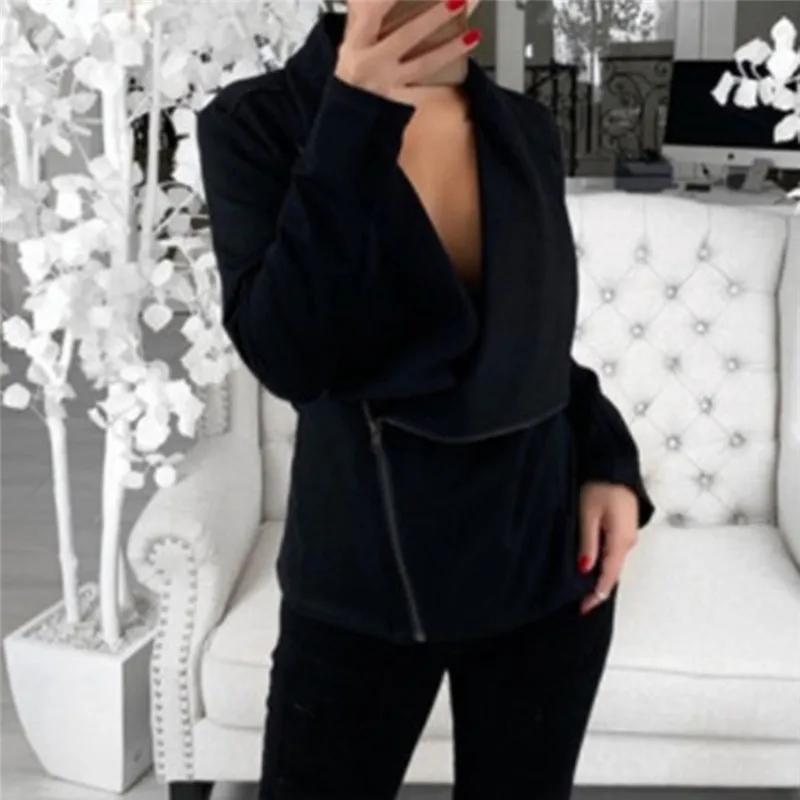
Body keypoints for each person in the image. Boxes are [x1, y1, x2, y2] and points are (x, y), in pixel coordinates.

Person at [197, 1, 656, 798]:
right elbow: (288, 357)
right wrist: (353, 115)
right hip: (363, 580)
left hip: (542, 573)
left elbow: (535, 346)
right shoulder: (259, 123)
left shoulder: (524, 127)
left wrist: (608, 461)